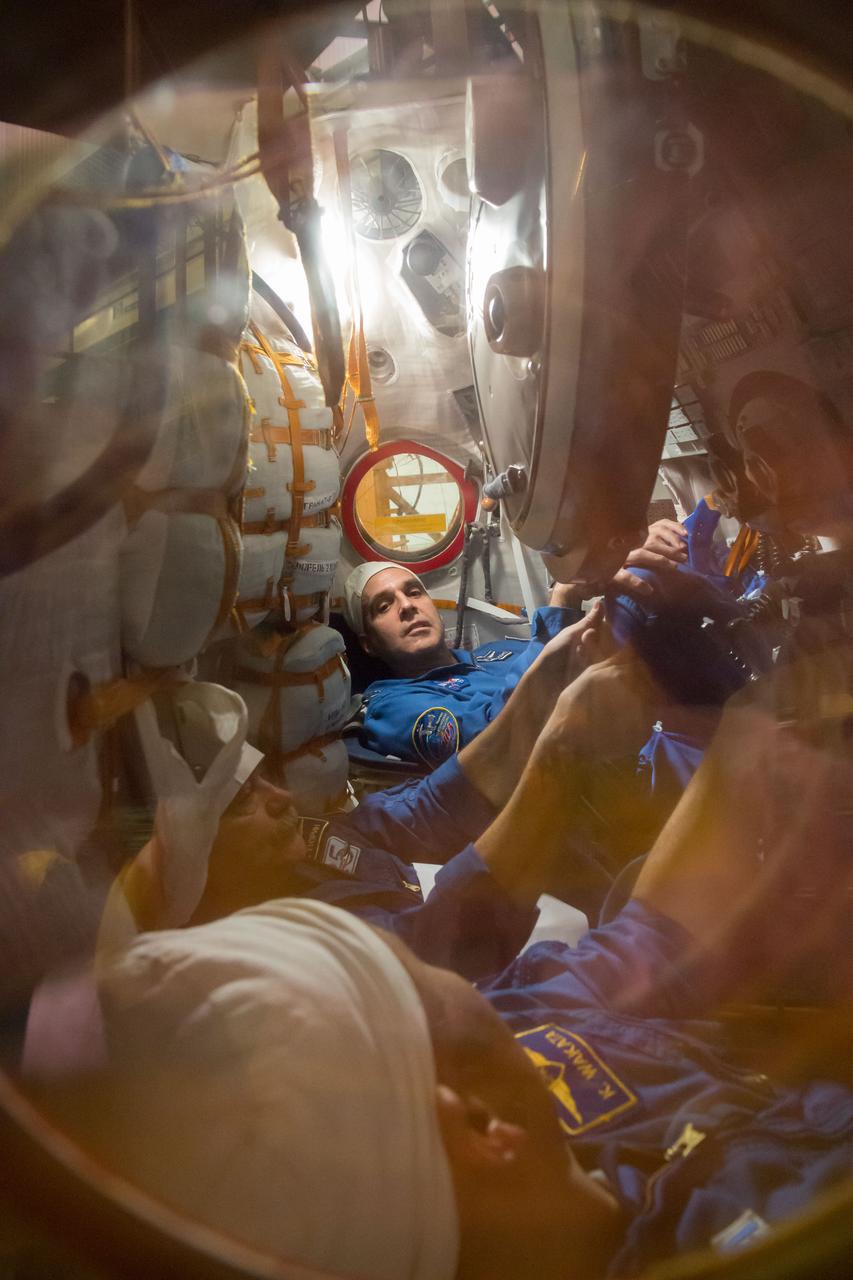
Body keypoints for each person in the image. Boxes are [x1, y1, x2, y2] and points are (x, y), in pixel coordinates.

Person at [32, 644, 853, 1280]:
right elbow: (464, 927)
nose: (404, 951)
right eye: (399, 980)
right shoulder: (768, 1225)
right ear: (475, 1125)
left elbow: (650, 938)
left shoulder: (515, 1039)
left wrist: (750, 719)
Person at [345, 519, 690, 767]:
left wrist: (623, 557)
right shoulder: (390, 707)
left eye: (414, 592)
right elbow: (494, 746)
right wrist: (564, 597)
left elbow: (589, 664)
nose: (407, 607)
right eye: (384, 606)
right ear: (368, 643)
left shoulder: (495, 654)